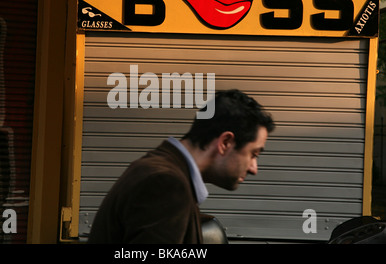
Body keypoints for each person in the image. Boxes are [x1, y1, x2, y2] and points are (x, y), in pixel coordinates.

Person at [87, 89, 275, 244]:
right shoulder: (166, 183)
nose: (253, 168)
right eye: (253, 154)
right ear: (225, 142)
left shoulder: (161, 169)